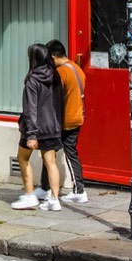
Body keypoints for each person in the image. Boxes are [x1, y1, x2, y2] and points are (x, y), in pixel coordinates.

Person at [11, 43, 64, 211]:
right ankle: (54, 200)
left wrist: (32, 134)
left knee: (22, 158)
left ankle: (29, 195)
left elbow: (30, 108)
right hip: (52, 126)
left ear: (33, 58)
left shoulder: (32, 80)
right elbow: (59, 103)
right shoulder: (55, 76)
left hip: (34, 128)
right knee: (51, 163)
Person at [38, 39, 87, 204]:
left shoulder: (61, 73)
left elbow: (53, 97)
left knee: (49, 153)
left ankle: (51, 189)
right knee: (69, 152)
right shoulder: (77, 69)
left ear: (53, 57)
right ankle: (77, 189)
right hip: (77, 116)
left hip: (65, 119)